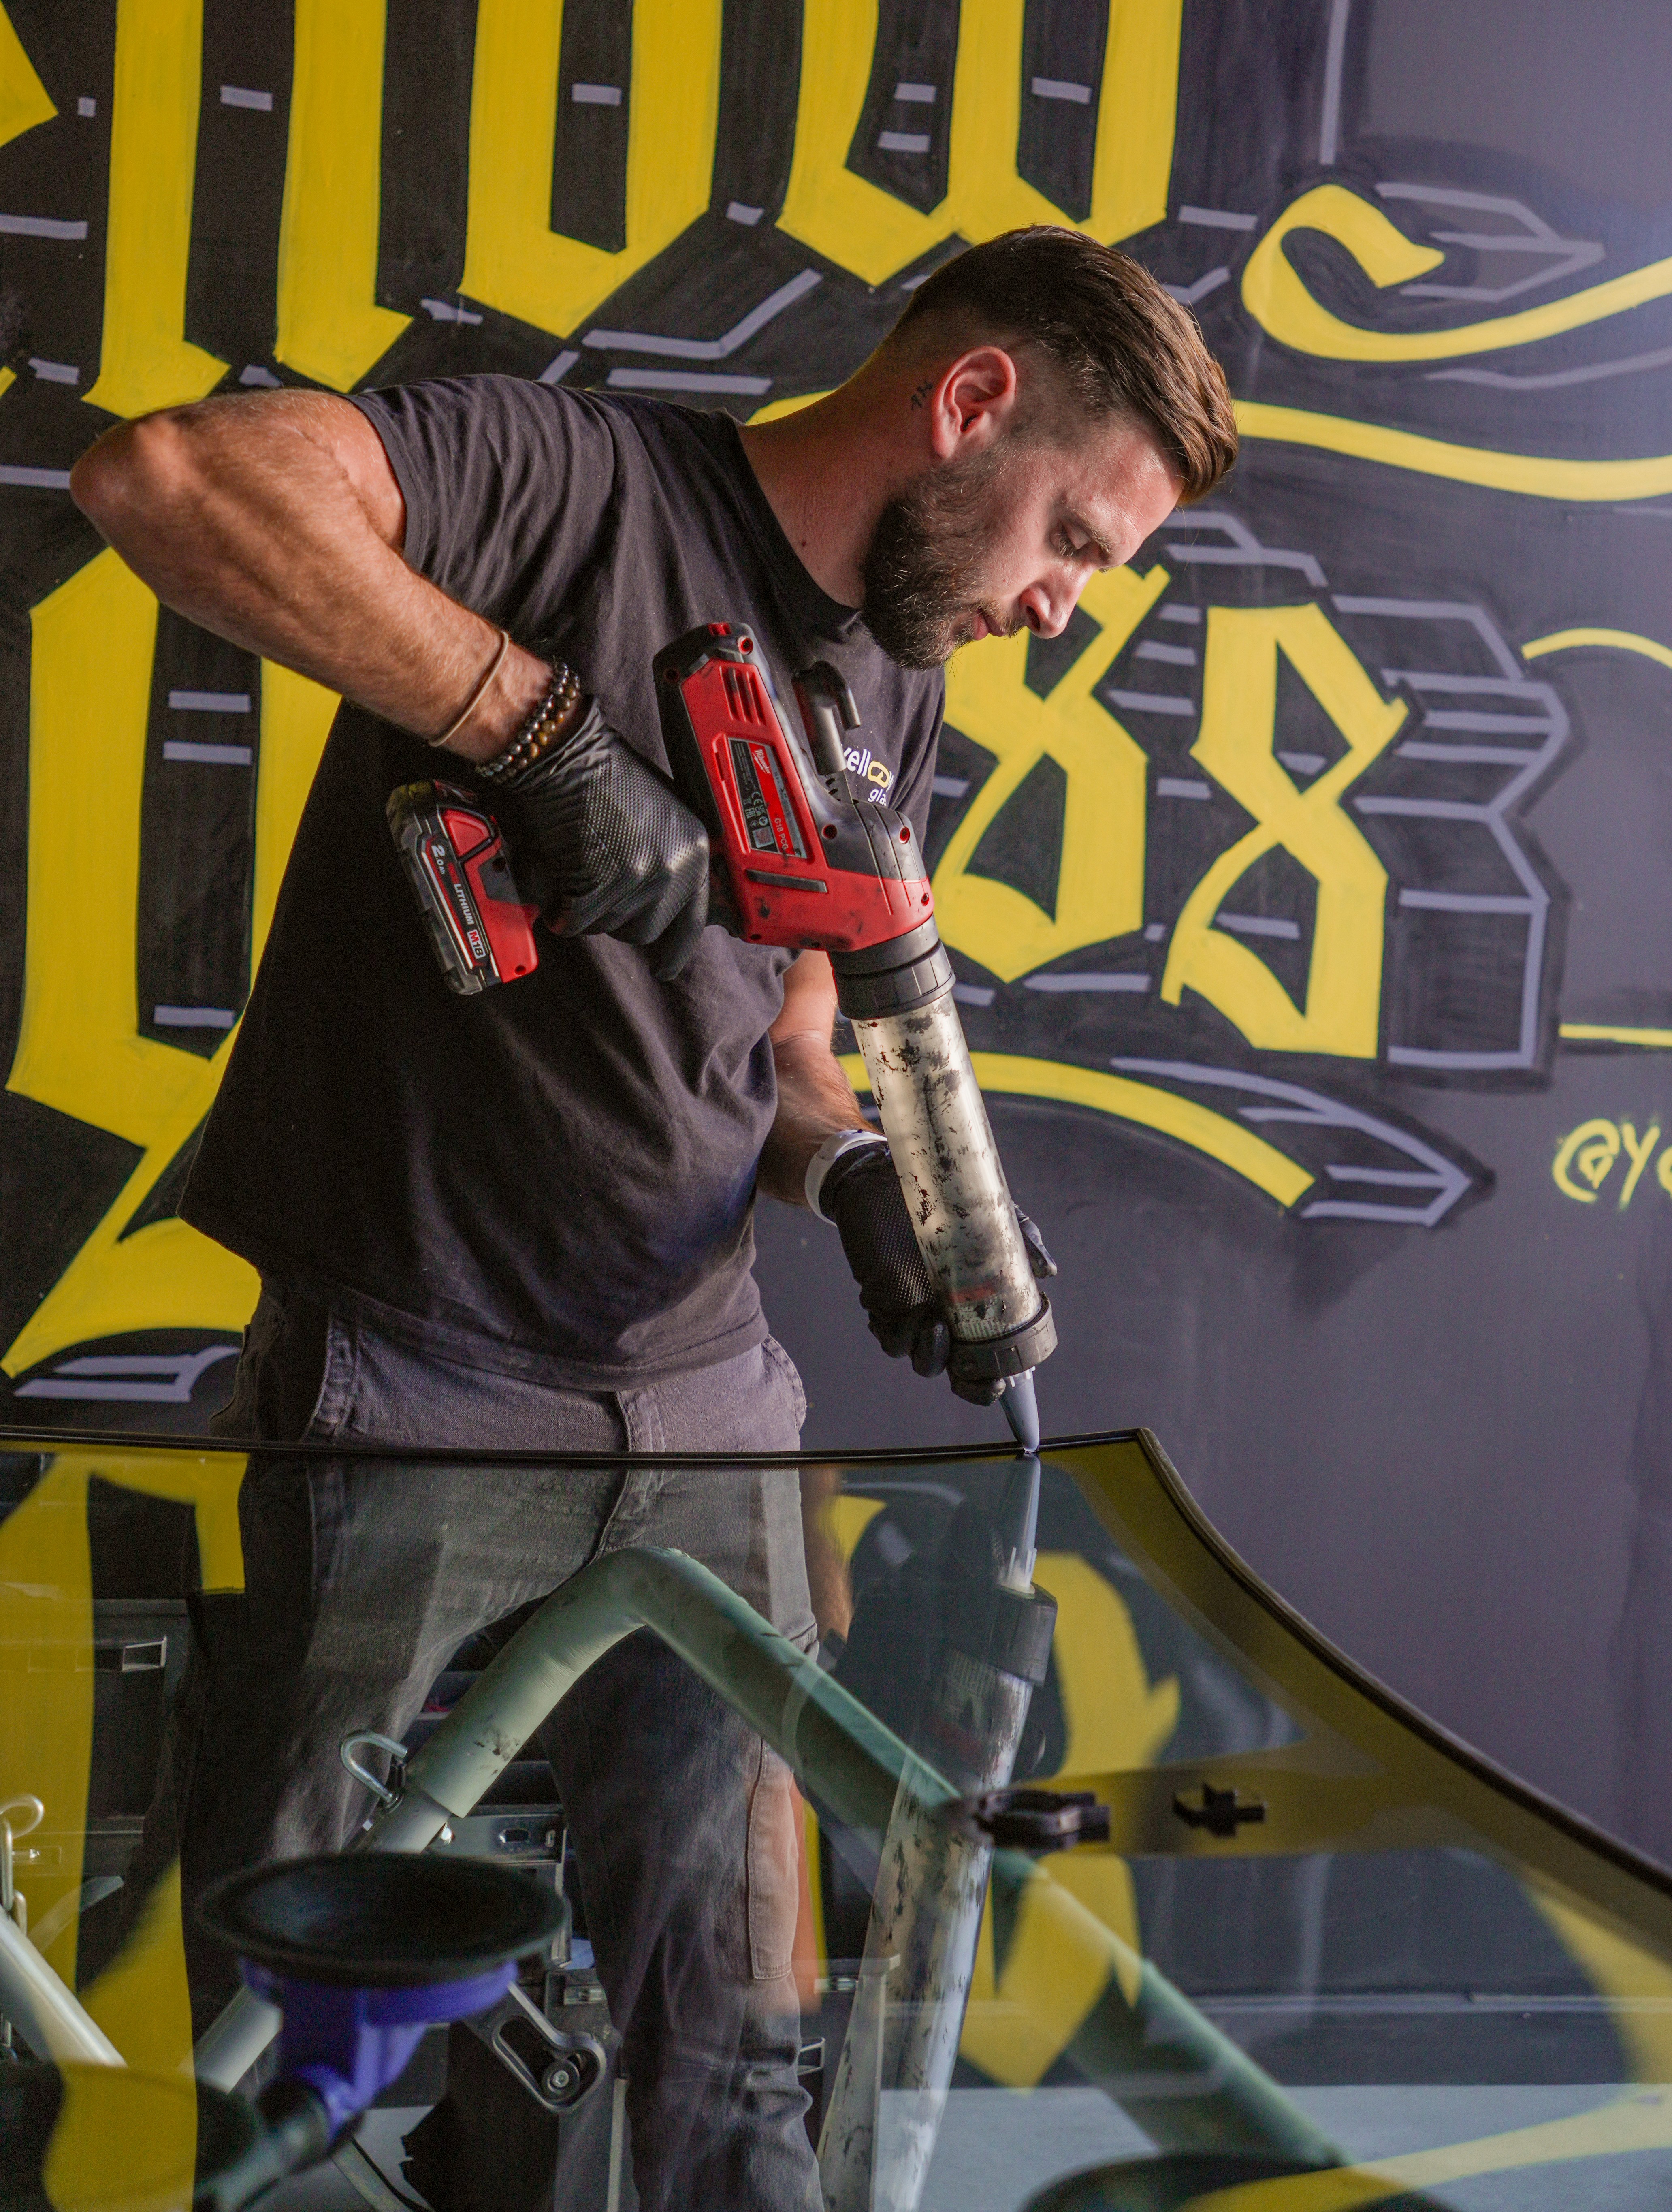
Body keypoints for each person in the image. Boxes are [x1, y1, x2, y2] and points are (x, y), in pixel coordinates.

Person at [70, 226, 1236, 2208]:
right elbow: (165, 478)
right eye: (1074, 540)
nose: (1061, 606)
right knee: (291, 2040)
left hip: (703, 1405)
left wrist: (855, 1175)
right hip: (408, 1383)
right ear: (972, 404)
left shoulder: (894, 671)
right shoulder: (578, 484)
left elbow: (792, 1030)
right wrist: (537, 734)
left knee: (735, 2045)